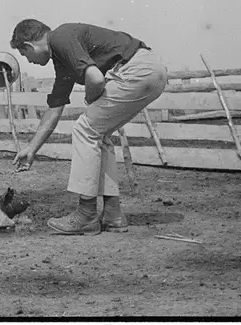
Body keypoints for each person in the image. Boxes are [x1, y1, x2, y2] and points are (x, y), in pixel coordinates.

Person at [10, 19, 168, 235]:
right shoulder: (62, 59)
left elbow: (95, 78)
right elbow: (55, 109)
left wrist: (91, 97)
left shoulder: (60, 37)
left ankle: (86, 214)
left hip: (136, 69)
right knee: (98, 133)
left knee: (85, 129)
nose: (29, 60)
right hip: (150, 69)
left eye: (24, 55)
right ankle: (113, 214)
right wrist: (32, 149)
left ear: (29, 46)